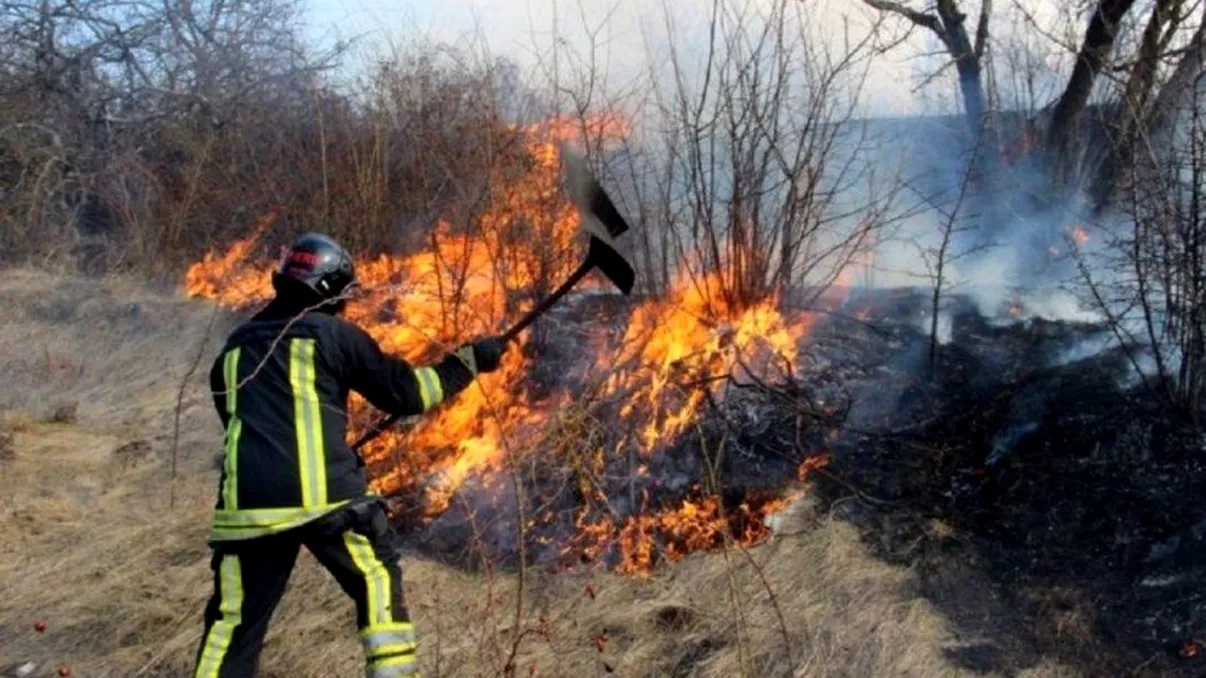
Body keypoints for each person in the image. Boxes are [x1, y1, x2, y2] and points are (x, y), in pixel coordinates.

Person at [192, 232, 508, 678]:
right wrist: (468, 362)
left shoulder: (233, 349)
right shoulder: (332, 336)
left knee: (232, 623)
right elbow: (407, 393)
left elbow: (239, 422)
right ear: (329, 289)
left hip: (245, 511)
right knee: (375, 579)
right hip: (325, 501)